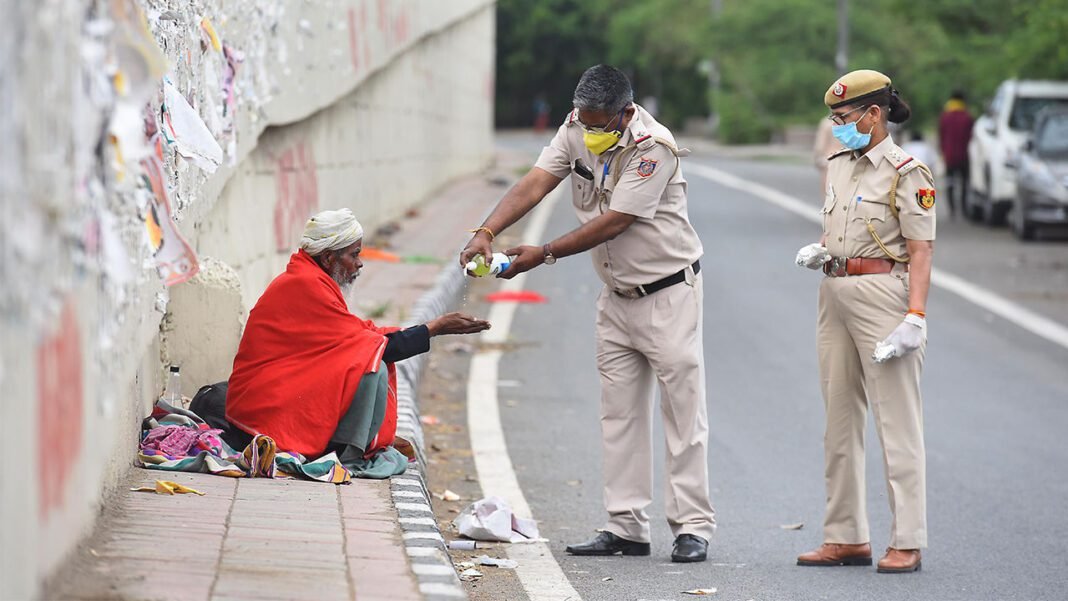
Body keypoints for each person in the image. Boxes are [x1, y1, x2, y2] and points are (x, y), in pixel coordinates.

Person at [459, 65, 716, 563]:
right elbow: (537, 181)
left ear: (626, 112)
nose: (591, 131)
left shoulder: (652, 146)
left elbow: (616, 221)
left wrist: (544, 252)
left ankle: (693, 527)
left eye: (601, 124)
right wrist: (485, 231)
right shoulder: (575, 126)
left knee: (683, 416)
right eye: (585, 120)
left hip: (668, 295)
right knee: (618, 415)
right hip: (615, 296)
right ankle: (626, 528)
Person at [794, 70, 935, 574]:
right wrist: (824, 250)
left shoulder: (906, 171)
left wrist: (914, 317)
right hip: (834, 292)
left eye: (844, 118)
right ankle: (845, 535)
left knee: (896, 423)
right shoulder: (838, 164)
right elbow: (840, 224)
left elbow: (920, 251)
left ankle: (908, 540)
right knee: (838, 421)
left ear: (874, 115)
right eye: (833, 119)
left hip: (884, 296)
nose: (837, 127)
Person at [225, 209, 489, 474]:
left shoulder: (311, 278)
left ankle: (342, 445)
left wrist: (430, 329)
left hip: (275, 389)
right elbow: (374, 345)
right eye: (354, 255)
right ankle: (347, 452)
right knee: (371, 368)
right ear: (329, 258)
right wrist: (434, 328)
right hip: (261, 404)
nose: (360, 263)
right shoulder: (304, 285)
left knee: (367, 355)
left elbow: (360, 334)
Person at [938, 90, 974, 217]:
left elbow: (941, 136)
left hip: (949, 156)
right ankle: (963, 208)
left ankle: (952, 209)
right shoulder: (967, 117)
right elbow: (971, 137)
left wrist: (942, 152)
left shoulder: (945, 116)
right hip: (964, 156)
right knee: (964, 183)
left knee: (950, 183)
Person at [813, 116, 842, 195]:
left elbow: (820, 145)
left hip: (828, 159)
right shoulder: (848, 122)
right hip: (845, 158)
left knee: (828, 193)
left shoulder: (826, 123)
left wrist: (817, 159)